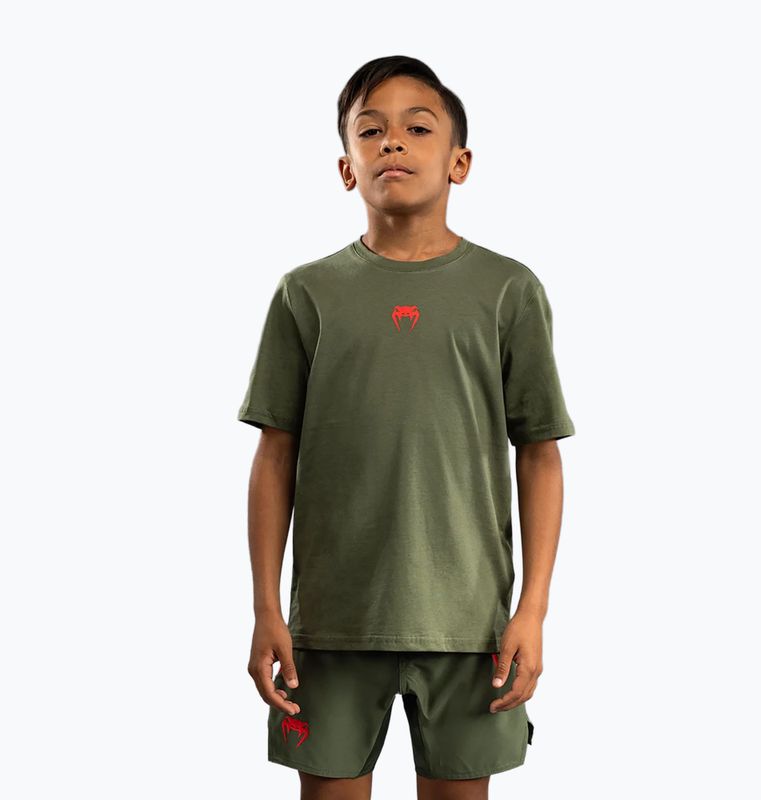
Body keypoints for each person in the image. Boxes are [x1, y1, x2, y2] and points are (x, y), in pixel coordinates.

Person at [237, 55, 576, 800]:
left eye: (418, 128)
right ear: (346, 168)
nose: (392, 141)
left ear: (459, 162)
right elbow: (274, 456)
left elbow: (540, 454)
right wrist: (266, 607)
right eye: (370, 131)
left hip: (472, 628)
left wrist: (533, 610)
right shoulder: (306, 294)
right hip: (332, 624)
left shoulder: (508, 290)